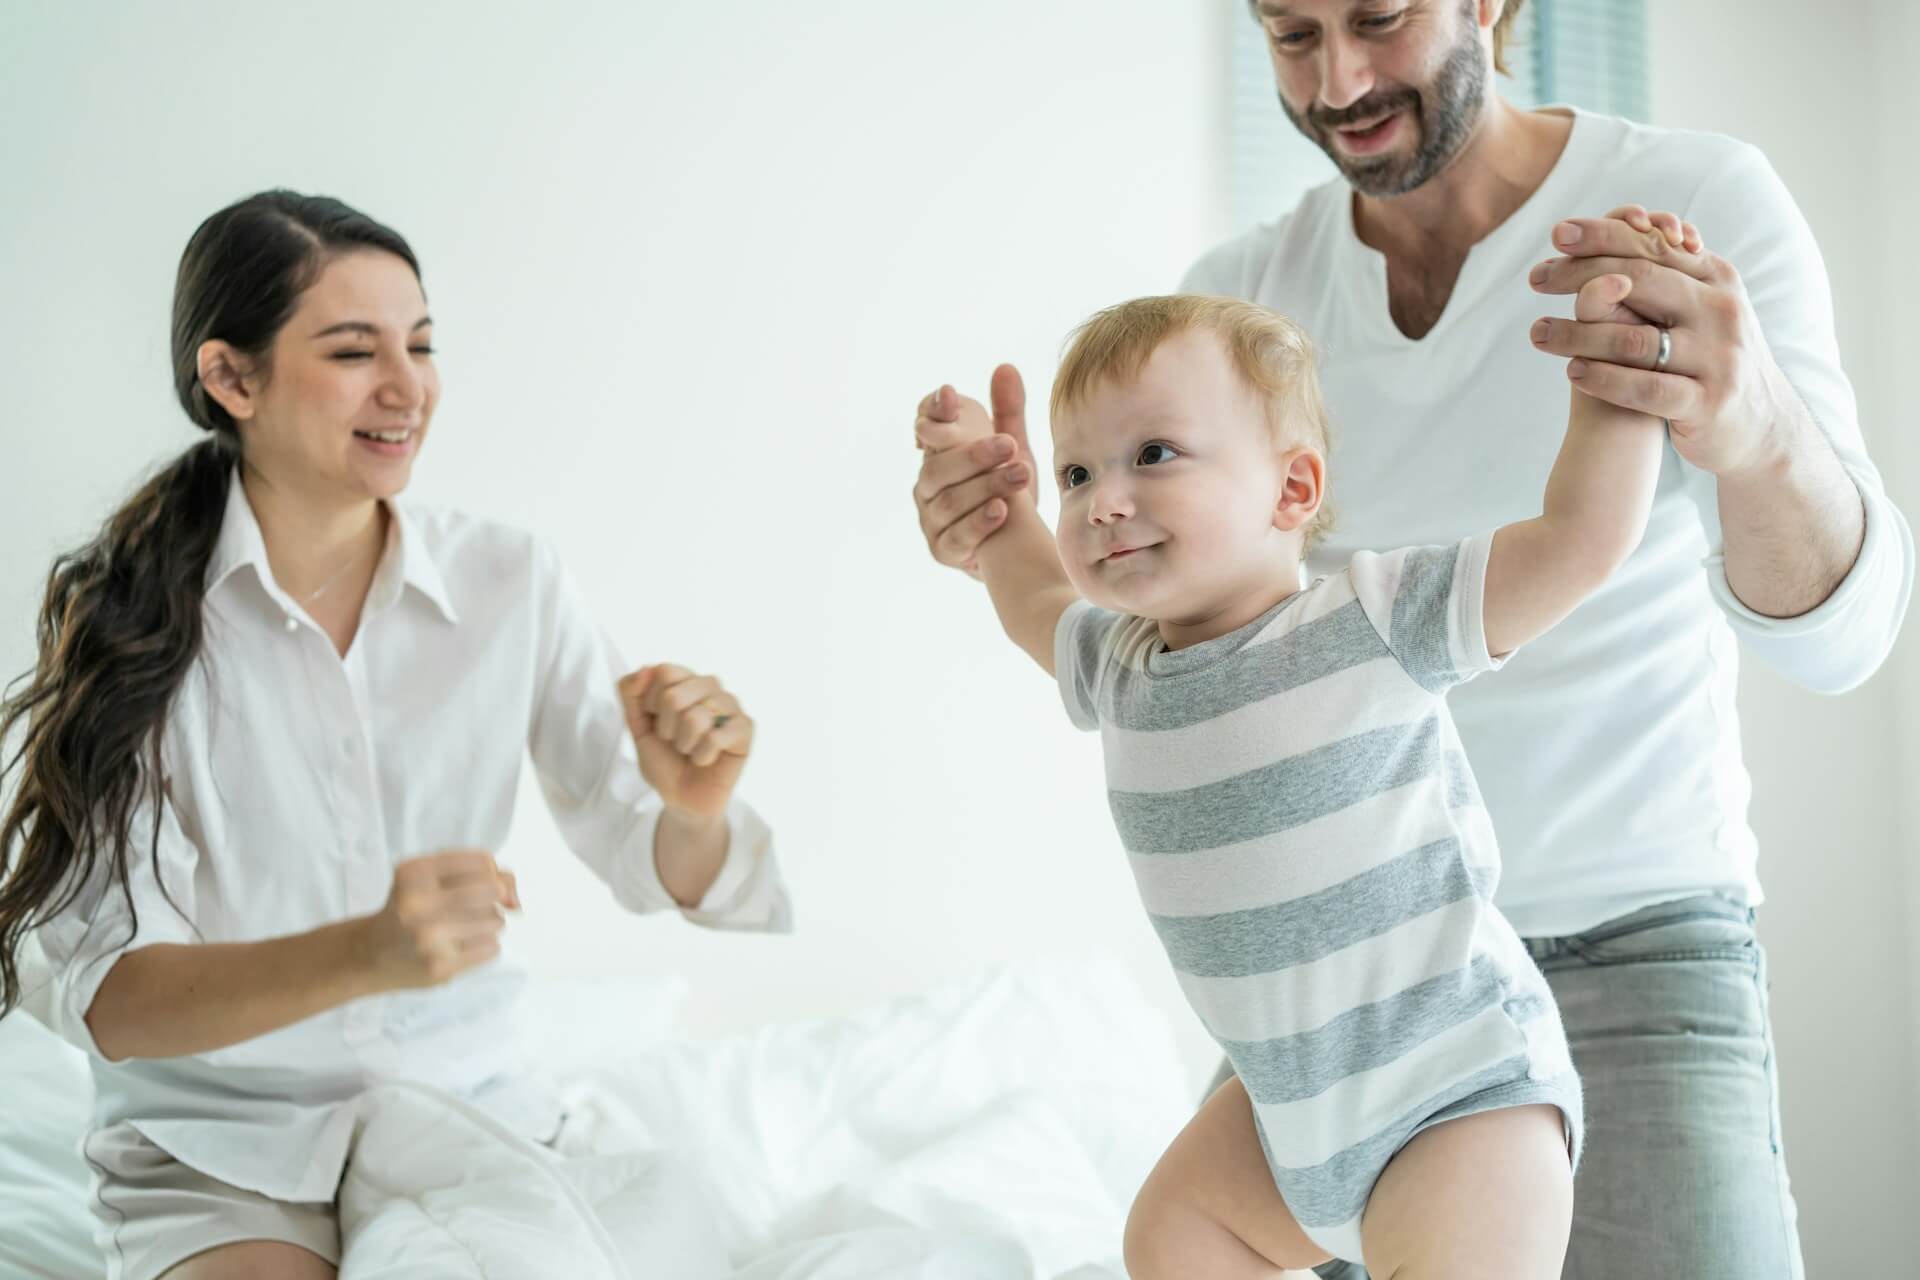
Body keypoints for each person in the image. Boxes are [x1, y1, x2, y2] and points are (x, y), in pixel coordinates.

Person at [909, 3, 1913, 1276]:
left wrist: (1721, 412)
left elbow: (1772, 613)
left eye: (1377, 17)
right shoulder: (1229, 315)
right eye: (1288, 34)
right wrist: (996, 518)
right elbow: (1054, 601)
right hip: (1315, 1023)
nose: (1337, 79)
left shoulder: (1688, 204)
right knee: (1167, 1232)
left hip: (1617, 947)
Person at [0, 190, 788, 1280]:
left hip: (459, 1109)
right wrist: (365, 951)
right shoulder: (128, 619)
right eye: (352, 350)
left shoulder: (510, 579)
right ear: (232, 378)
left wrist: (694, 807)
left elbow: (655, 856)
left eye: (420, 344)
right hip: (222, 1142)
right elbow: (107, 996)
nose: (407, 387)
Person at [924, 279, 1666, 1274]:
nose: (1104, 500)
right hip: (1286, 1114)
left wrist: (1620, 384)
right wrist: (998, 496)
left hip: (1455, 1090)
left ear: (1293, 489)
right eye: (1075, 471)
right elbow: (1026, 586)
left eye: (1153, 454)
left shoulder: (1372, 619)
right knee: (1171, 1232)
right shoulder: (1115, 666)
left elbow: (1580, 538)